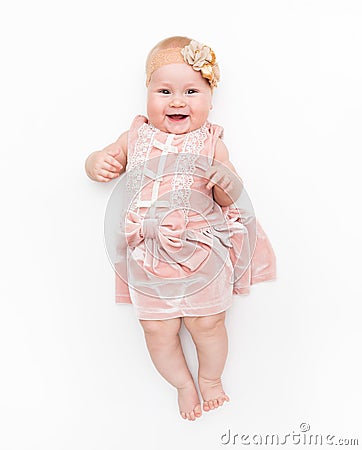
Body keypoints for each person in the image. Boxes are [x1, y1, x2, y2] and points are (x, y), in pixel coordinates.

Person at [85, 36, 276, 421]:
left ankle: (209, 379)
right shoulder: (136, 136)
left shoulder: (211, 144)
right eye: (164, 91)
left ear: (210, 99)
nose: (176, 101)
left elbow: (230, 198)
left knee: (207, 323)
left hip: (200, 252)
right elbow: (104, 158)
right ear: (147, 95)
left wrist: (224, 184)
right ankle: (183, 384)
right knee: (157, 331)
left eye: (191, 91)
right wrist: (96, 162)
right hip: (149, 254)